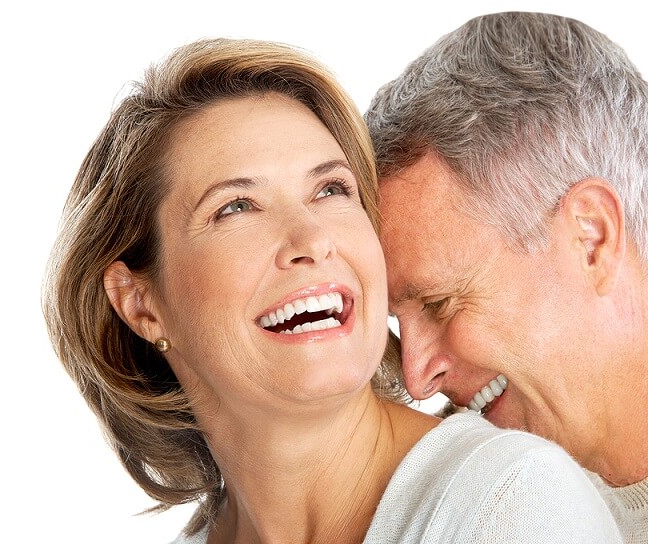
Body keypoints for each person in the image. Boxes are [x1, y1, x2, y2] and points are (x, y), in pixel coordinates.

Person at [43, 37, 622, 543]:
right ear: (141, 303)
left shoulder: (511, 503)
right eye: (237, 206)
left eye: (331, 190)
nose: (311, 238)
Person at [365, 11, 648, 543]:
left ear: (592, 239)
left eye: (440, 303)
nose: (415, 378)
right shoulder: (462, 508)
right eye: (397, 323)